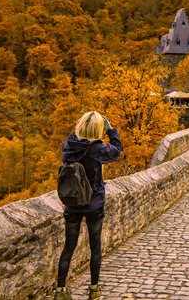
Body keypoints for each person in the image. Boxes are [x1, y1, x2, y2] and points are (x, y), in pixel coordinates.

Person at [55, 111, 122, 300]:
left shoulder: (68, 146)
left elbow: (72, 139)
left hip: (72, 203)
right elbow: (117, 150)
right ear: (97, 129)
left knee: (69, 247)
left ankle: (60, 291)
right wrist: (111, 131)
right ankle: (94, 290)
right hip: (94, 204)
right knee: (95, 248)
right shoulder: (98, 149)